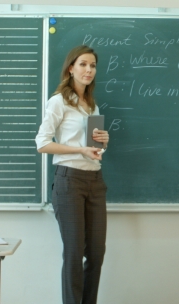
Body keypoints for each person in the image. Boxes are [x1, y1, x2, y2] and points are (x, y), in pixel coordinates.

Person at [35, 45, 109, 304]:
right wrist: (80, 149)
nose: (89, 70)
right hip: (69, 181)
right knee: (74, 253)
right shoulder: (59, 101)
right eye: (83, 64)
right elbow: (42, 143)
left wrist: (102, 142)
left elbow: (92, 148)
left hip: (95, 181)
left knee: (97, 254)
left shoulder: (92, 105)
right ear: (71, 68)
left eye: (93, 66)